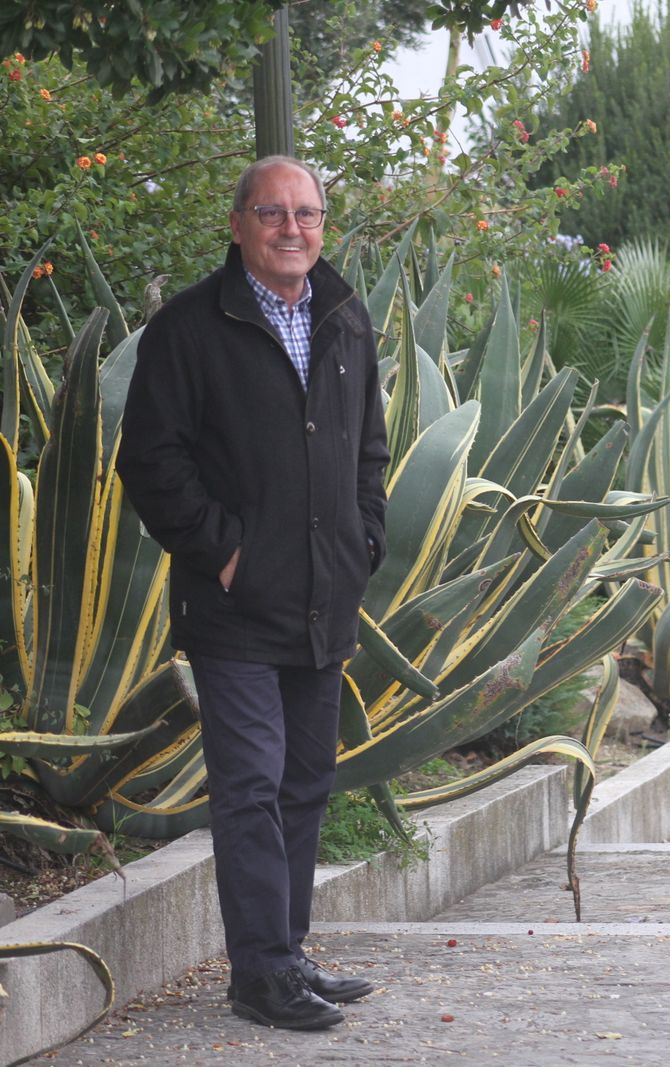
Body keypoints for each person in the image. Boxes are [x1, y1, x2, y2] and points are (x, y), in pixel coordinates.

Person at [117, 155, 389, 1031]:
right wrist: (226, 553)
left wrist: (362, 542)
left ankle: (288, 956)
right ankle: (261, 974)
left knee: (306, 781)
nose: (291, 230)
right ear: (238, 224)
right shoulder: (192, 327)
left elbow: (369, 453)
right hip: (233, 607)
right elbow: (151, 462)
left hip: (323, 598)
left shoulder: (345, 318)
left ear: (324, 224)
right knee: (252, 785)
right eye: (272, 214)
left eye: (306, 214)